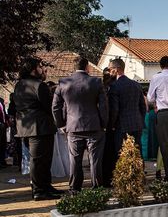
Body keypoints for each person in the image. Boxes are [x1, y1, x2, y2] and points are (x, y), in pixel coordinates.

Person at [52, 56, 108, 193]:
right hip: (94, 126)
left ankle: (75, 188)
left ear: (73, 67)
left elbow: (55, 107)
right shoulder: (96, 82)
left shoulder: (63, 83)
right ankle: (97, 188)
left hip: (73, 126)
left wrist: (61, 125)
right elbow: (103, 106)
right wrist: (104, 123)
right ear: (87, 67)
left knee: (75, 160)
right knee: (95, 160)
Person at [13, 58, 61, 200]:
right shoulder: (39, 85)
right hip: (40, 127)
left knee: (41, 160)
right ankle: (39, 190)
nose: (42, 69)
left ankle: (46, 186)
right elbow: (49, 106)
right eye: (40, 66)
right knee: (40, 160)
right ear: (34, 69)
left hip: (26, 127)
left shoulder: (19, 85)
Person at [107, 58, 147, 157]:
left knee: (122, 153)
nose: (109, 72)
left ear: (116, 70)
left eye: (110, 69)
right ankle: (139, 171)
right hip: (137, 123)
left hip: (121, 125)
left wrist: (111, 124)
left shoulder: (114, 86)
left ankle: (125, 172)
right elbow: (142, 106)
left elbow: (115, 109)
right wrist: (141, 119)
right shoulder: (136, 85)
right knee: (137, 151)